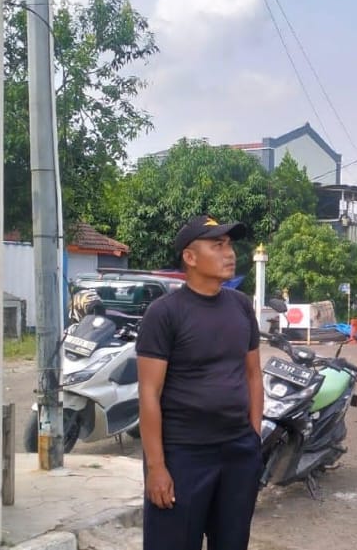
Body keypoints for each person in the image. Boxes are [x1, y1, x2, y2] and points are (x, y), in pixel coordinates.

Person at [136, 215, 265, 550]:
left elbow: (253, 374)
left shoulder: (241, 306)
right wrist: (156, 466)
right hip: (184, 454)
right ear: (190, 257)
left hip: (237, 452)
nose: (229, 253)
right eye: (217, 245)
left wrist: (253, 437)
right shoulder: (164, 313)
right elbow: (149, 392)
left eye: (229, 245)